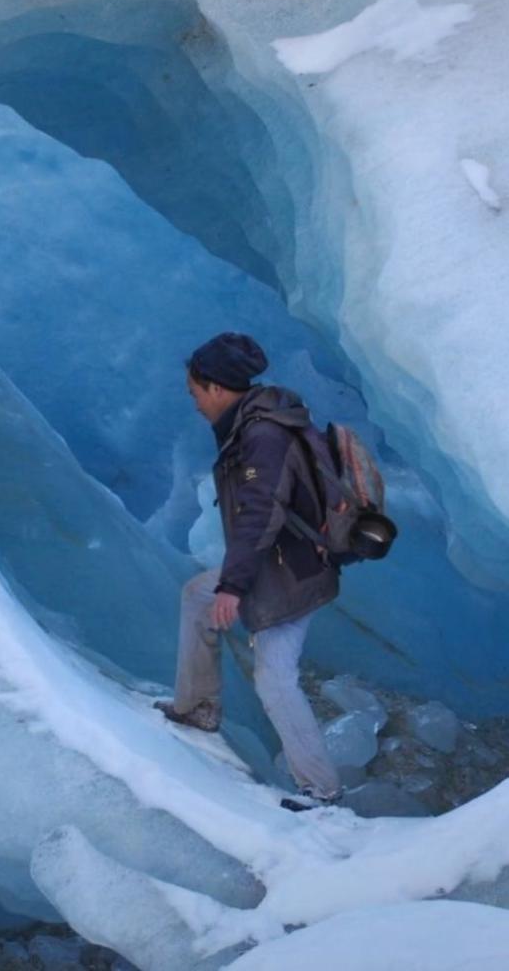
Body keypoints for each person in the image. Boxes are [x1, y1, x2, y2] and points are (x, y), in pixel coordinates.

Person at [155, 332, 341, 809]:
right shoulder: (255, 422)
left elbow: (260, 512)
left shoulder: (263, 435)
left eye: (195, 392)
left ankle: (321, 791)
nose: (195, 403)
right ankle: (198, 707)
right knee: (197, 595)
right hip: (281, 562)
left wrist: (234, 586)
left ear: (216, 388)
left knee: (275, 678)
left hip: (292, 572)